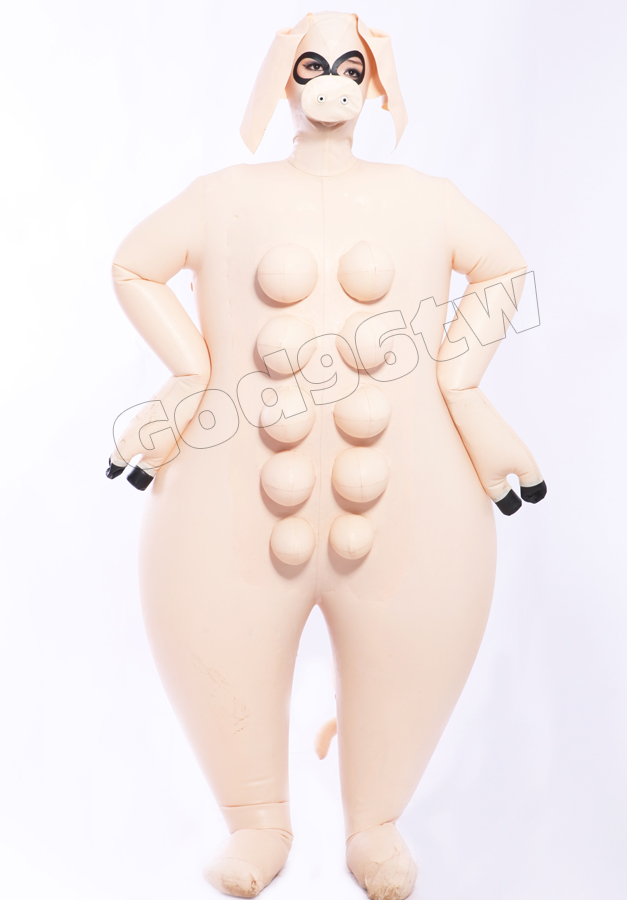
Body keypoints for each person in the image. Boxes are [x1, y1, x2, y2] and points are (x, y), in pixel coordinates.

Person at [107, 11, 546, 900]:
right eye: (311, 66)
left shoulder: (425, 199)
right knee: (216, 644)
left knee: (407, 655)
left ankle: (374, 825)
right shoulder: (221, 196)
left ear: (375, 85)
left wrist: (458, 386)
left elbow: (503, 270)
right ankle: (255, 822)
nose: (331, 84)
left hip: (411, 502)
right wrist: (190, 375)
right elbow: (134, 265)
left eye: (349, 67)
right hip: (226, 496)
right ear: (281, 80)